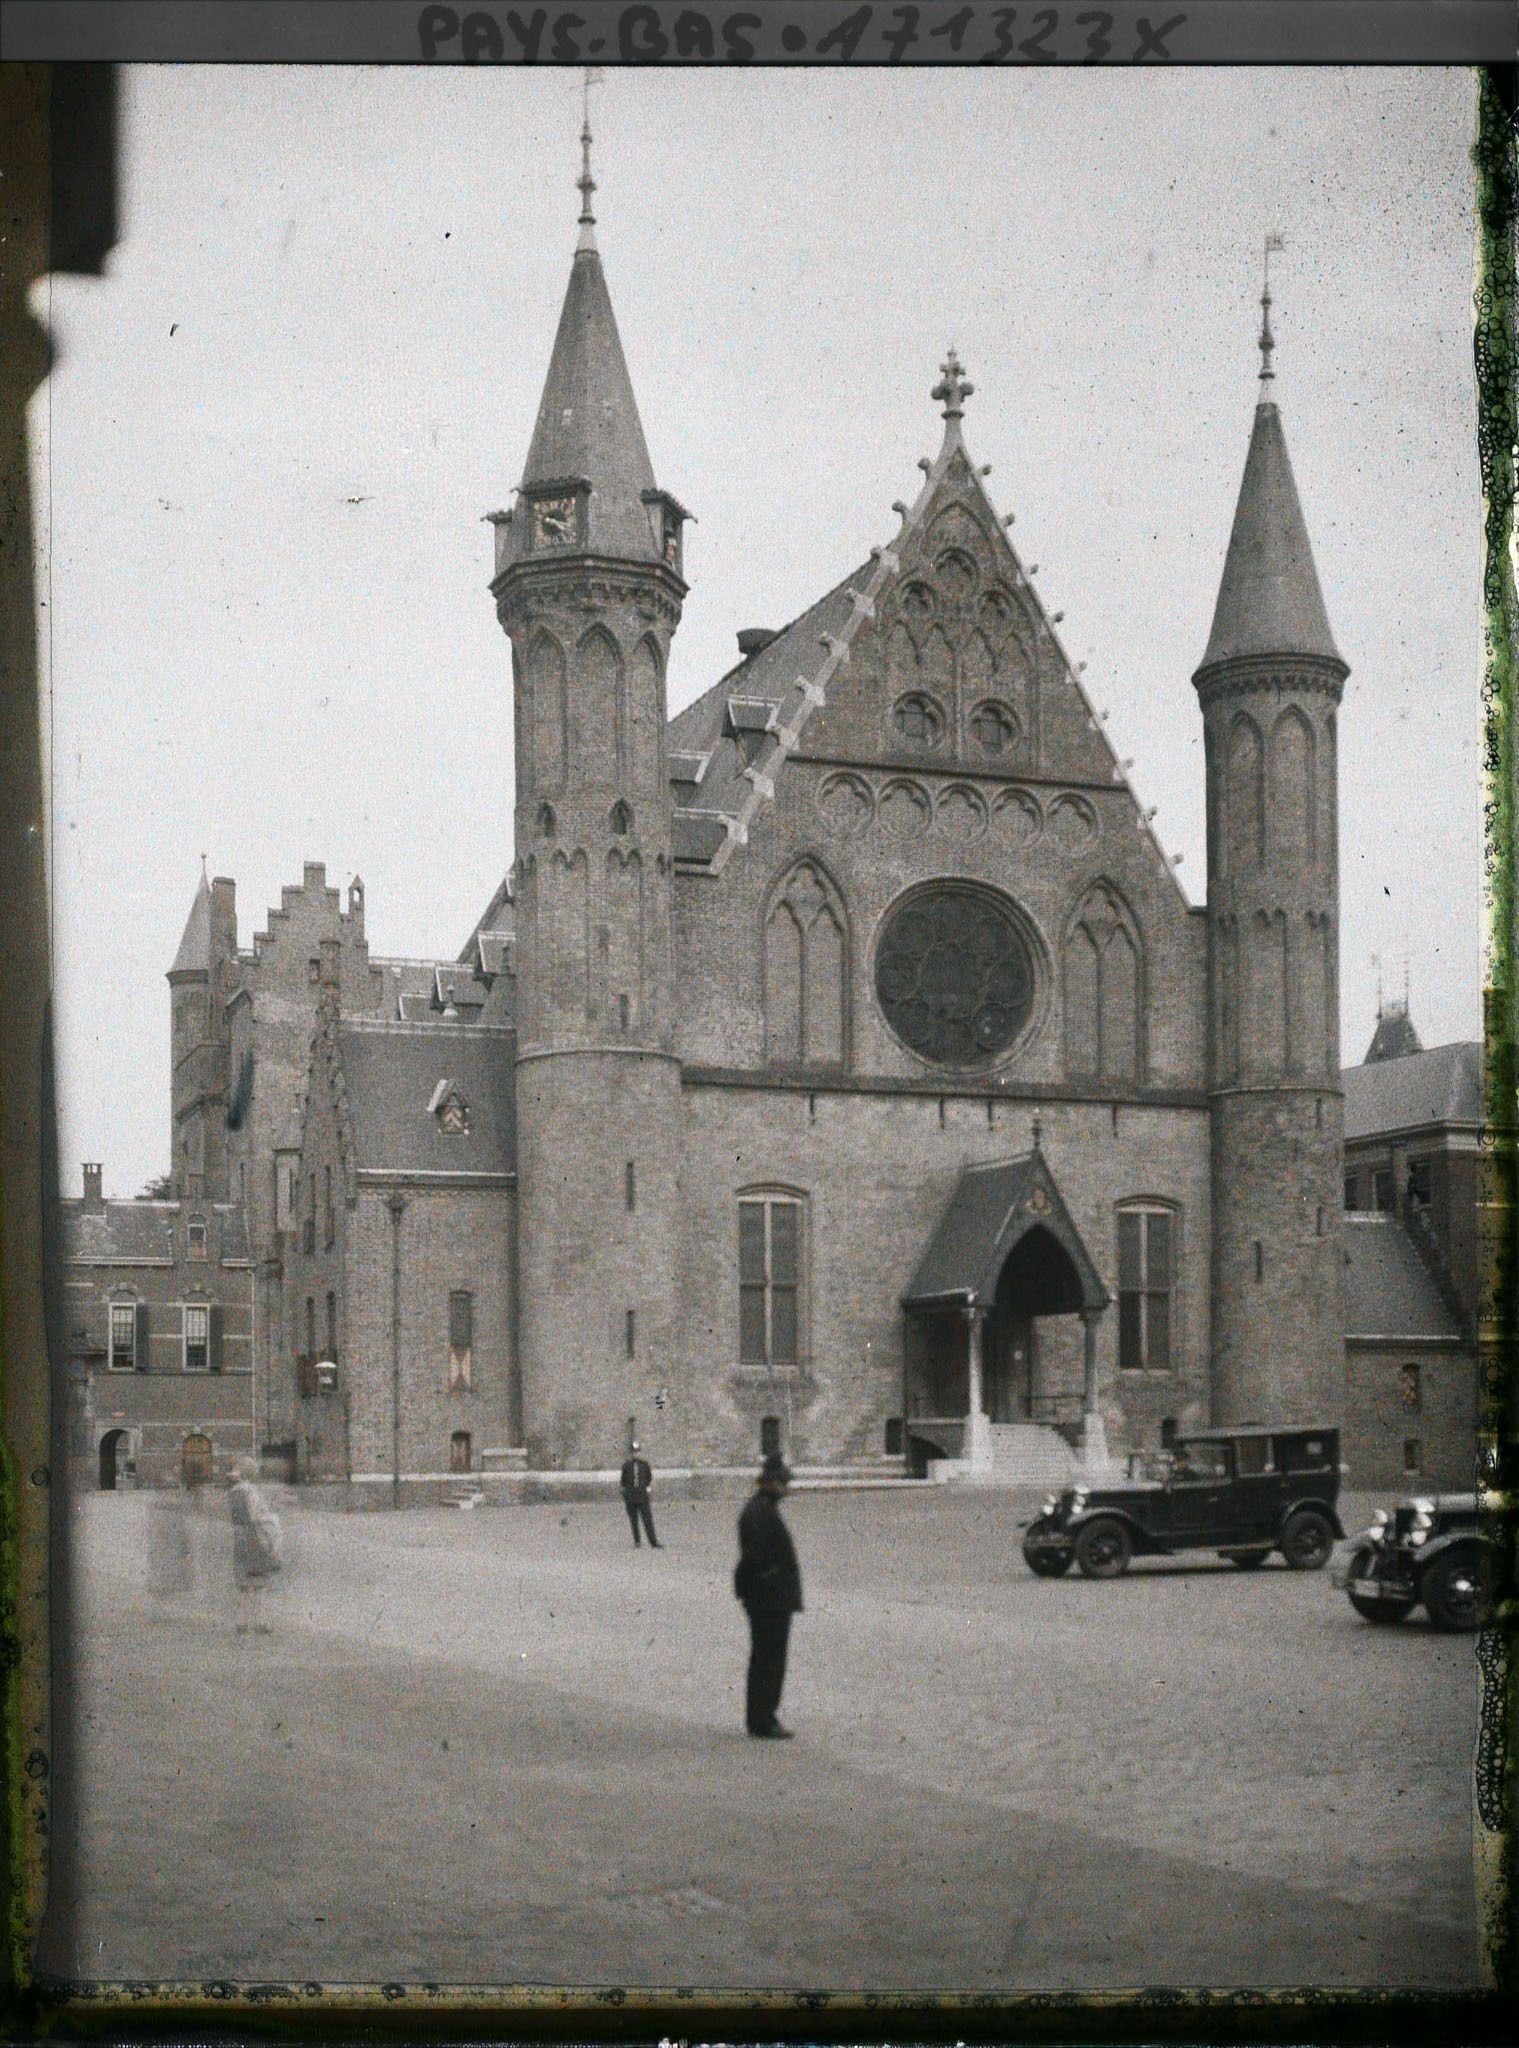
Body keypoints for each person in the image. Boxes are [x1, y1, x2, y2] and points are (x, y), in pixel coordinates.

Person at [734, 1452, 803, 1739]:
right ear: (771, 1483)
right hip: (769, 1599)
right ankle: (764, 1719)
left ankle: (759, 1716)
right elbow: (756, 1558)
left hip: (767, 1596)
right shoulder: (761, 1512)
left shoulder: (760, 1508)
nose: (787, 1489)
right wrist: (770, 1581)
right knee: (770, 1661)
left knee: (765, 1659)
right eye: (783, 1483)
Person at [228, 1458, 282, 1634]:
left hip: (239, 1536)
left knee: (242, 1583)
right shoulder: (251, 1492)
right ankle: (260, 1622)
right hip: (254, 1538)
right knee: (260, 1583)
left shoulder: (233, 1492)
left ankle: (241, 1622)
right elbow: (255, 1516)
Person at [618, 1440, 661, 1548]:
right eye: (634, 1452)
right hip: (631, 1497)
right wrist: (625, 1494)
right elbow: (623, 1481)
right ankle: (637, 1541)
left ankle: (653, 1541)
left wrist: (647, 1490)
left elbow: (648, 1478)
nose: (636, 1454)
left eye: (637, 1452)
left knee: (647, 1520)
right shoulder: (626, 1466)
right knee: (634, 1520)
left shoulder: (644, 1465)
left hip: (642, 1497)